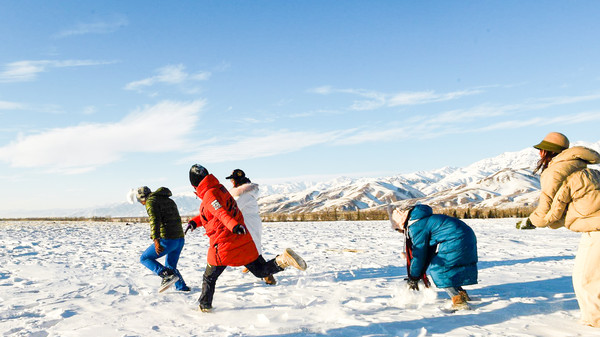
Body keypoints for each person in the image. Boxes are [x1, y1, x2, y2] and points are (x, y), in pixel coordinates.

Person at [185, 164, 307, 312]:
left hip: (225, 244)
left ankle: (204, 307)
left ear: (194, 184)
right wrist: (195, 222)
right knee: (260, 270)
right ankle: (283, 260)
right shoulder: (220, 189)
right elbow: (216, 211)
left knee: (209, 277)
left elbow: (221, 213)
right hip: (243, 240)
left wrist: (233, 225)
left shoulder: (210, 195)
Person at [525, 132, 600, 327]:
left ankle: (594, 323)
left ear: (545, 152)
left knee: (586, 280)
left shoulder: (555, 171)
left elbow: (547, 207)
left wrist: (531, 221)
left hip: (596, 229)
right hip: (592, 226)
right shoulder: (580, 166)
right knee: (587, 278)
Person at [390, 204, 478, 311]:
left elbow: (419, 254)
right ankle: (461, 293)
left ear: (400, 222)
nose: (401, 232)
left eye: (397, 229)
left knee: (440, 269)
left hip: (456, 239)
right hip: (466, 236)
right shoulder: (424, 220)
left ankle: (459, 301)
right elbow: (427, 251)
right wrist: (418, 274)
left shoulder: (416, 225)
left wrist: (413, 277)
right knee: (452, 267)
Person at [132, 186, 189, 292]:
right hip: (180, 239)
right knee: (170, 265)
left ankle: (166, 275)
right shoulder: (169, 200)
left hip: (168, 240)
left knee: (145, 258)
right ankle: (182, 288)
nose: (141, 203)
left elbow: (154, 221)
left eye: (139, 200)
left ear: (142, 197)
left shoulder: (151, 201)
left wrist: (156, 240)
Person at [226, 169, 276, 285]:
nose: (231, 182)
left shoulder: (243, 194)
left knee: (253, 247)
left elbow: (233, 208)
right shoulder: (244, 192)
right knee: (252, 246)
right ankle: (249, 265)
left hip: (248, 222)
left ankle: (269, 276)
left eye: (232, 180)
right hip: (251, 221)